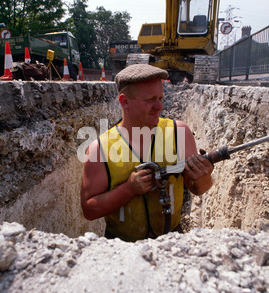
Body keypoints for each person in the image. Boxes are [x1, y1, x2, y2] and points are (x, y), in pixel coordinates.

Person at [81, 64, 214, 242]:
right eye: (150, 100)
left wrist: (204, 176)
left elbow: (198, 188)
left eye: (160, 97)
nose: (159, 106)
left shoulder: (178, 132)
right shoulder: (100, 148)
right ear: (124, 101)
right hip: (121, 248)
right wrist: (128, 189)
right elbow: (89, 210)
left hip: (173, 241)